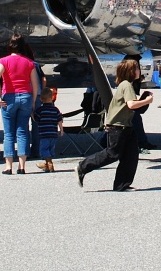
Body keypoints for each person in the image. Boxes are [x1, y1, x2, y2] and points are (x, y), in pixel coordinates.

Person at [76, 59, 154, 191]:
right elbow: (131, 105)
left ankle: (122, 185)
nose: (139, 71)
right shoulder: (127, 86)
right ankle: (83, 166)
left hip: (126, 125)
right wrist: (147, 100)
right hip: (118, 126)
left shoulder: (125, 85)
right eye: (136, 69)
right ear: (131, 71)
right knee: (113, 153)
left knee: (130, 156)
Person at [0, 33, 40, 175]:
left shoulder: (4, 61)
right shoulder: (29, 63)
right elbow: (35, 84)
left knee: (8, 134)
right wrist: (32, 102)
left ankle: (8, 166)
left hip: (9, 97)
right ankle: (22, 166)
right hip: (25, 96)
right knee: (22, 132)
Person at [33, 87, 63, 172]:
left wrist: (32, 113)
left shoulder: (40, 110)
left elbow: (36, 119)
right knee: (50, 149)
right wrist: (61, 130)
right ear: (52, 97)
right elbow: (59, 120)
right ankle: (47, 164)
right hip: (53, 133)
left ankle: (49, 164)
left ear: (41, 99)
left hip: (44, 133)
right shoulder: (55, 109)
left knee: (44, 149)